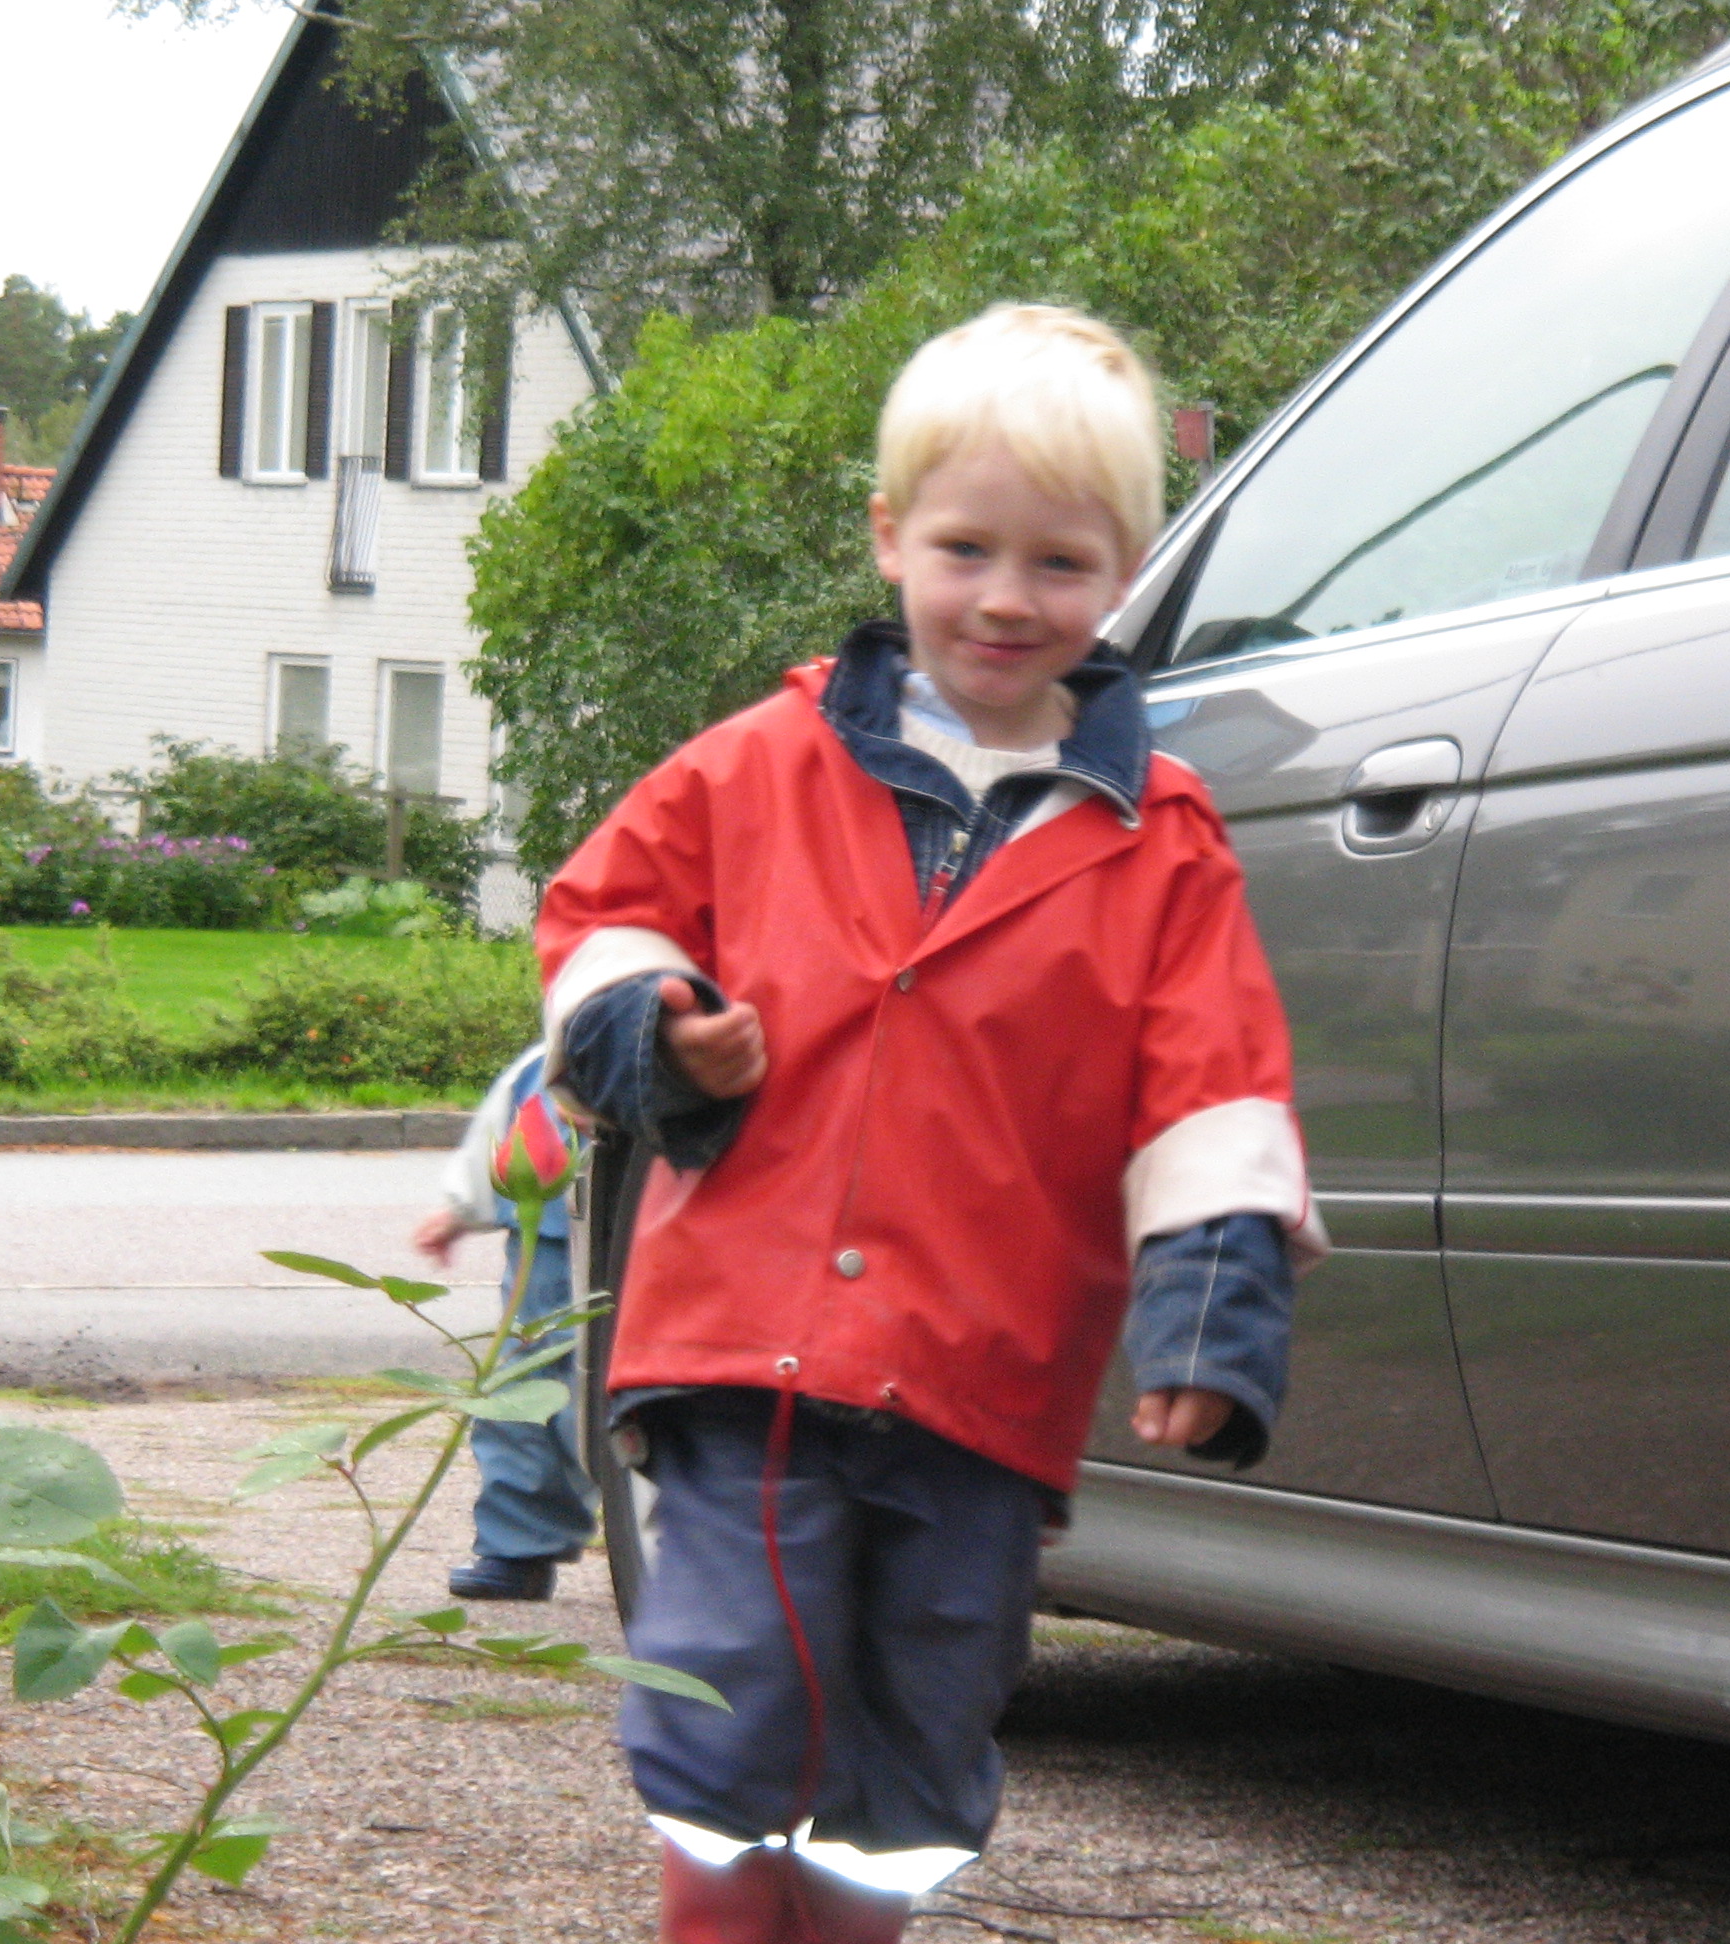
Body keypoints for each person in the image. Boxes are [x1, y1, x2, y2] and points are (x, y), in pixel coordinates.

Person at [537, 303, 1325, 1944]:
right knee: (731, 1677)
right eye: (966, 548)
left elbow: (1214, 1087)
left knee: (925, 1712)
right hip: (746, 1343)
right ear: (890, 536)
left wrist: (1208, 1321)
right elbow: (599, 919)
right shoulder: (754, 767)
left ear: (1122, 575)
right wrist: (659, 1031)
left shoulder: (1162, 843)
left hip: (985, 1368)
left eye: (1059, 561)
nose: (1005, 597)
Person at [412, 1041, 597, 1601]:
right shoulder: (545, 1064)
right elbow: (499, 1131)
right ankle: (521, 1544)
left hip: (670, 1242)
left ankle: (682, 1552)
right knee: (525, 1389)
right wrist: (462, 1208)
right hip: (553, 1245)